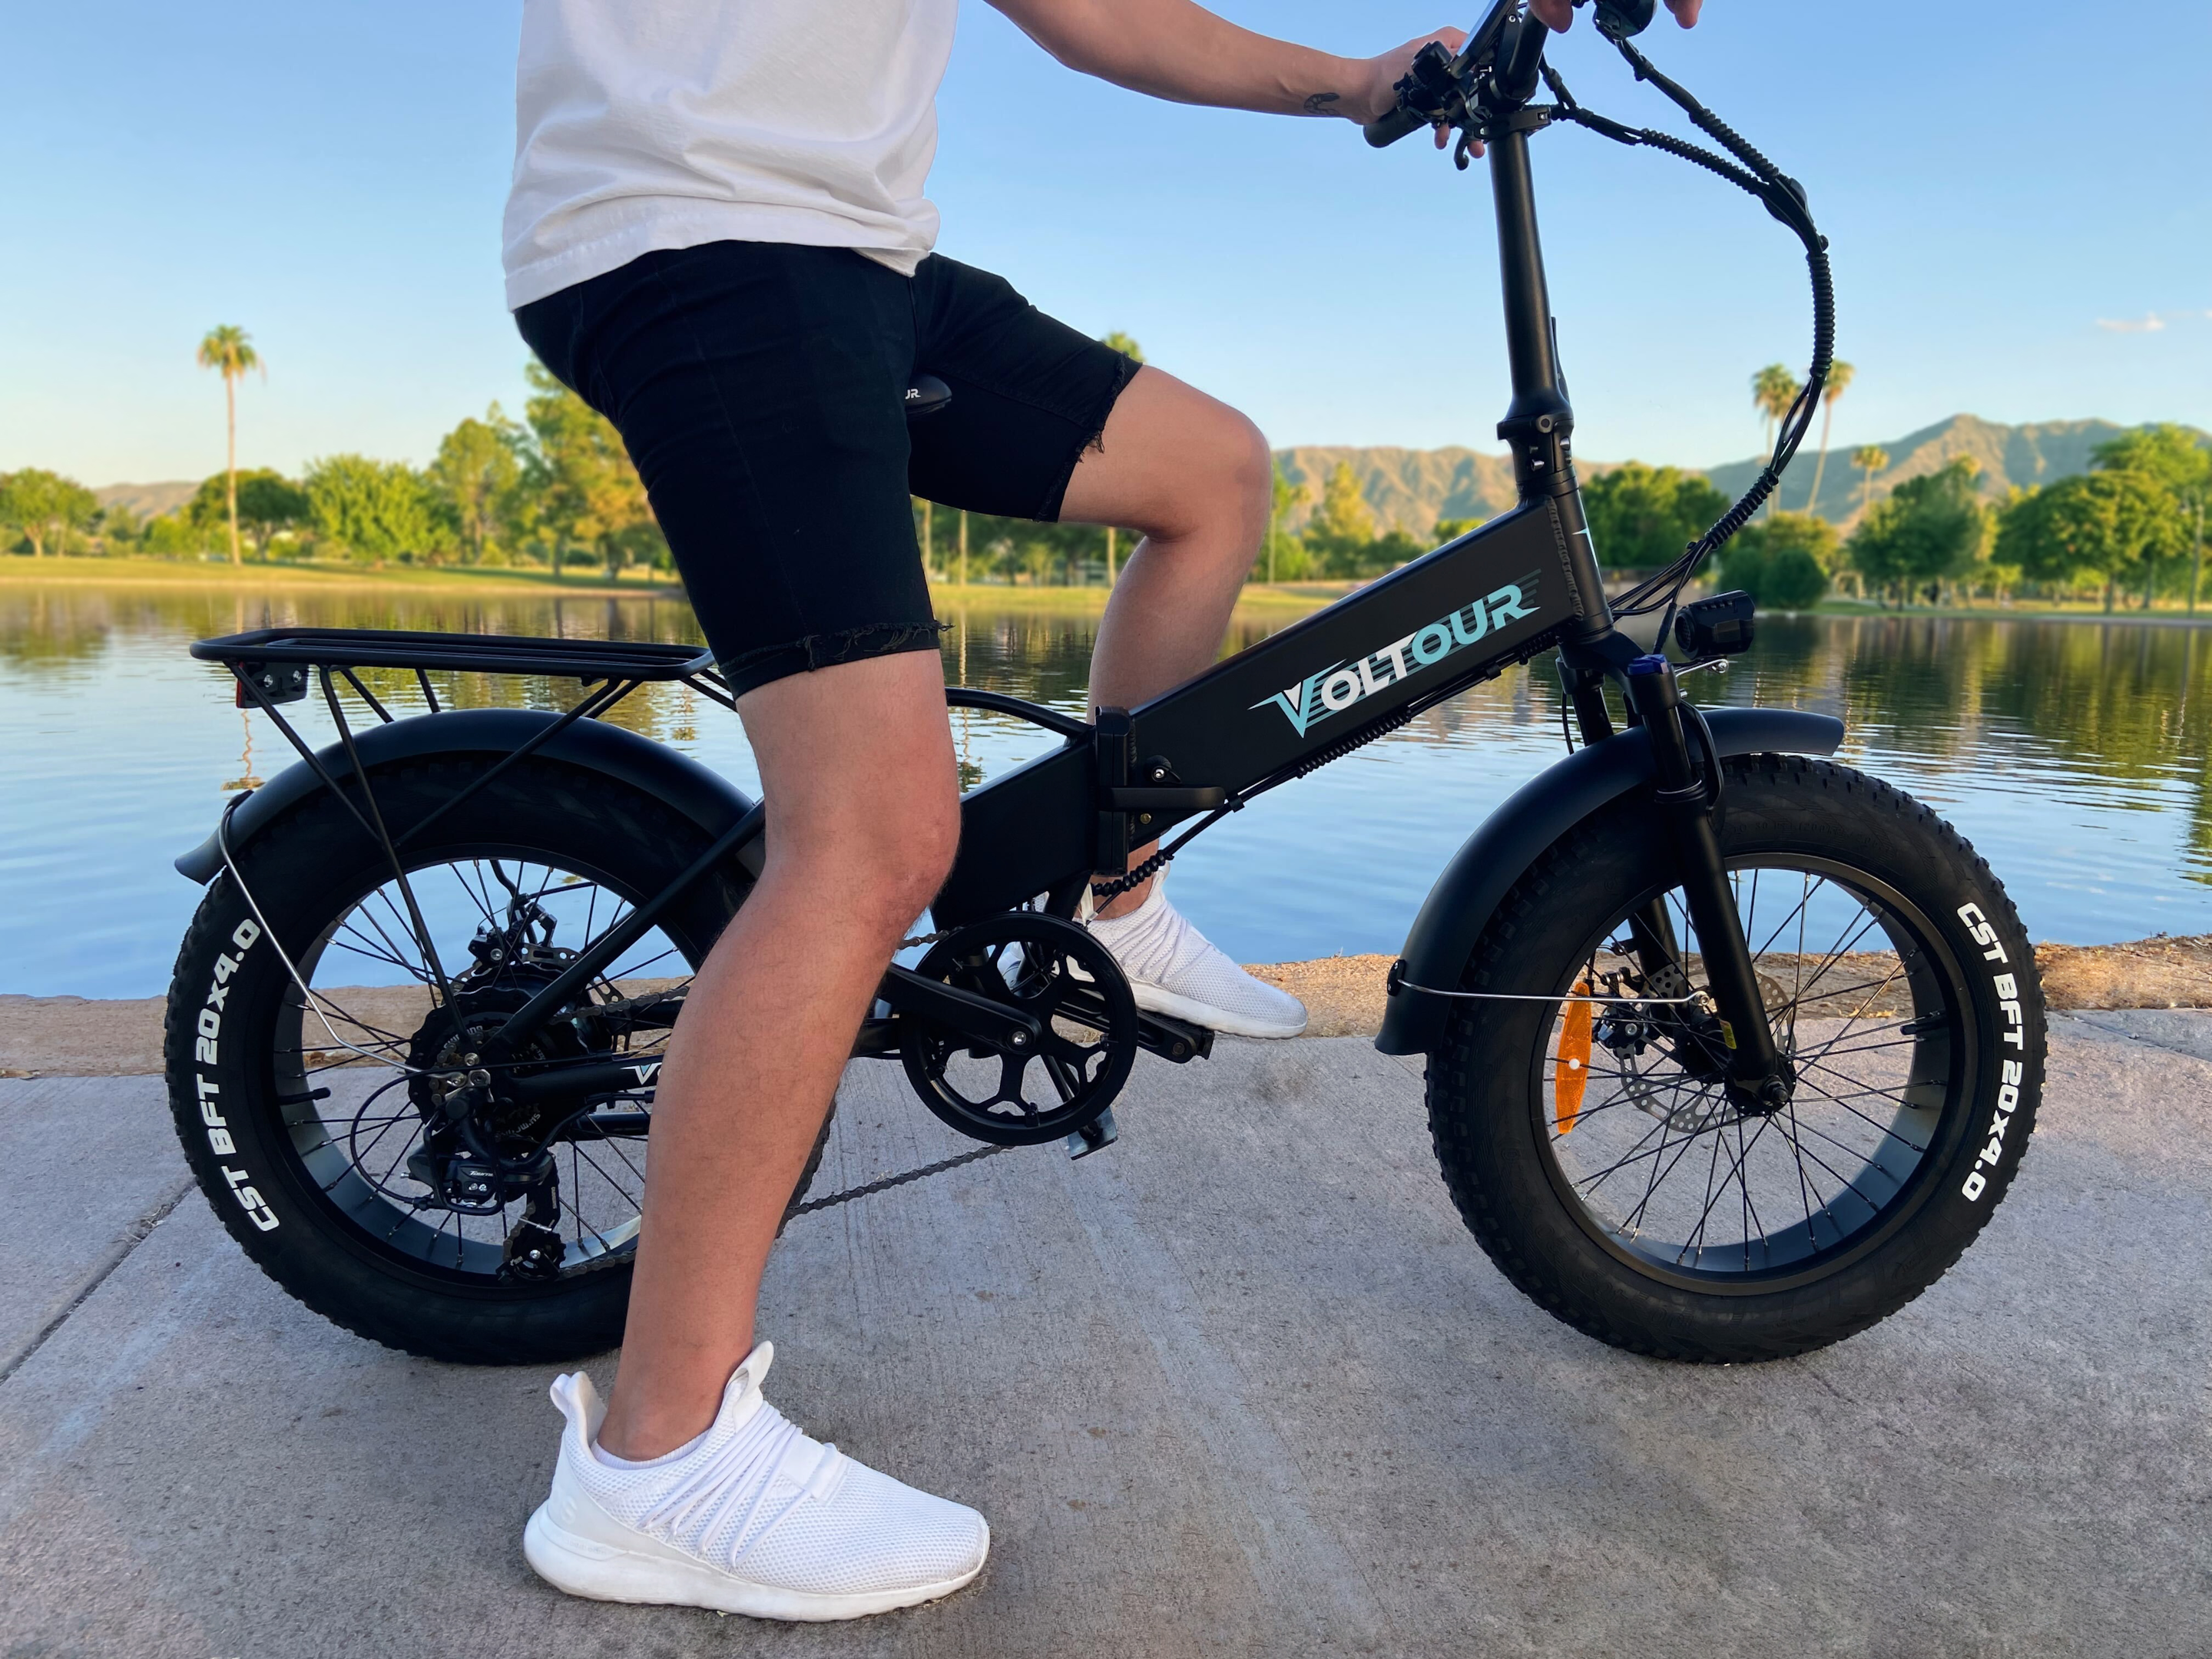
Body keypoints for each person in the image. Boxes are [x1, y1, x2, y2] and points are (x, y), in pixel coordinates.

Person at [509, 0, 1703, 1621]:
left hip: (855, 255)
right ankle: (655, 1463)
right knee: (870, 840)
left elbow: (1091, 14)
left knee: (1211, 474)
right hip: (711, 238)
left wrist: (1359, 82)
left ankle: (1108, 896)